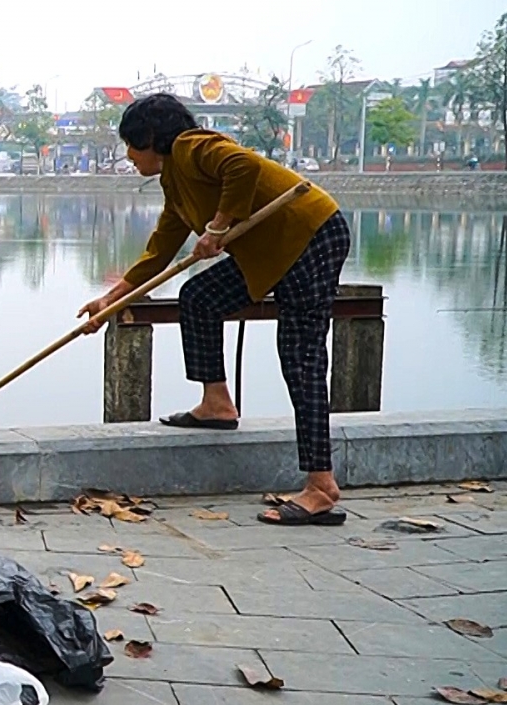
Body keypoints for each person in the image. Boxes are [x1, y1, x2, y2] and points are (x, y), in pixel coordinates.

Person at [78, 94, 350, 526]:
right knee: (199, 297)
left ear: (151, 137)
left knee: (301, 356)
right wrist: (115, 297)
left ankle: (321, 486)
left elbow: (243, 167)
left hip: (310, 235)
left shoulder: (190, 146)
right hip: (271, 252)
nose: (128, 155)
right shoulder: (175, 181)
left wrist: (219, 225)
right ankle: (218, 404)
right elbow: (162, 246)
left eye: (131, 144)